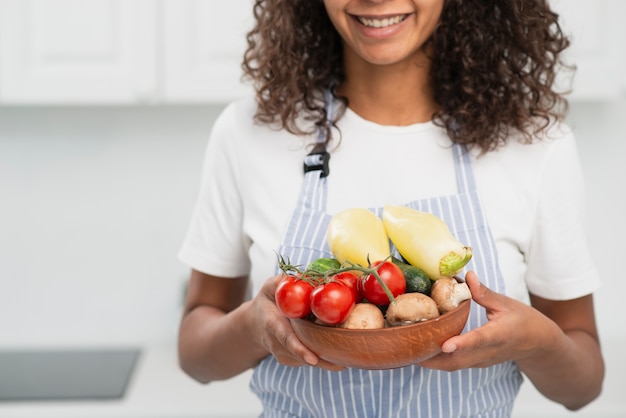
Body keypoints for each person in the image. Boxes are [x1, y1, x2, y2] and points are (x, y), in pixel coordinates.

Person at [177, 0, 605, 416]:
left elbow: (583, 385)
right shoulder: (248, 134)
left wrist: (535, 342)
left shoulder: (535, 145)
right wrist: (254, 326)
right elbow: (195, 355)